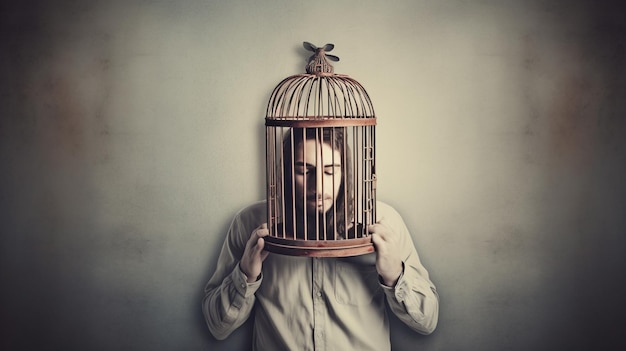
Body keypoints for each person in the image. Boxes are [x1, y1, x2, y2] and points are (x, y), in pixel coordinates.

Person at [202, 127, 439, 351]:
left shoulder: (384, 223)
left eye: (330, 170)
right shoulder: (250, 223)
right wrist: (245, 274)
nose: (319, 185)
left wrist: (395, 275)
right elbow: (217, 327)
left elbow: (427, 322)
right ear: (285, 171)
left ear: (344, 171)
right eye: (304, 171)